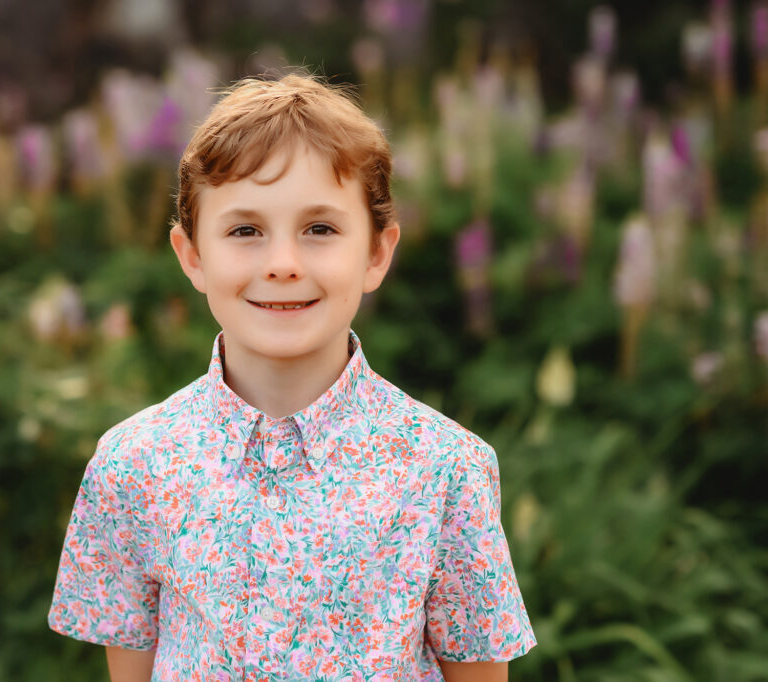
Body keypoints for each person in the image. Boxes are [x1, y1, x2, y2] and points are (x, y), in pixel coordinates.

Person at [48, 72, 537, 681]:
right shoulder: (133, 465)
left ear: (377, 254)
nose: (283, 264)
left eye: (321, 229)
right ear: (192, 255)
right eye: (246, 231)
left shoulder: (446, 469)